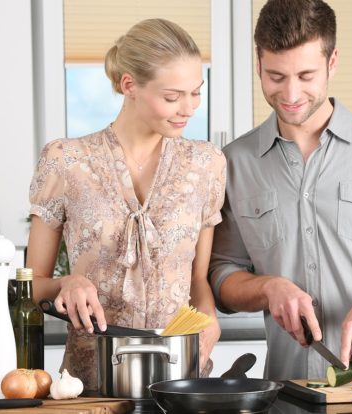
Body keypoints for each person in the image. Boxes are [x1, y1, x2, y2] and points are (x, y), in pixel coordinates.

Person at [209, 0, 352, 381]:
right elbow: (223, 275)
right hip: (287, 392)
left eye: (306, 75)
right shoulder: (234, 162)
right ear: (258, 65)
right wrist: (268, 288)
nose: (290, 93)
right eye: (275, 76)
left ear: (332, 62)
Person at [26, 18, 226, 390]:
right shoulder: (66, 160)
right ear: (129, 85)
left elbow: (198, 279)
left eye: (196, 92)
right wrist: (66, 283)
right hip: (90, 382)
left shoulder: (207, 164)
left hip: (179, 378)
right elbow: (29, 287)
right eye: (172, 96)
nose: (189, 108)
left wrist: (209, 319)